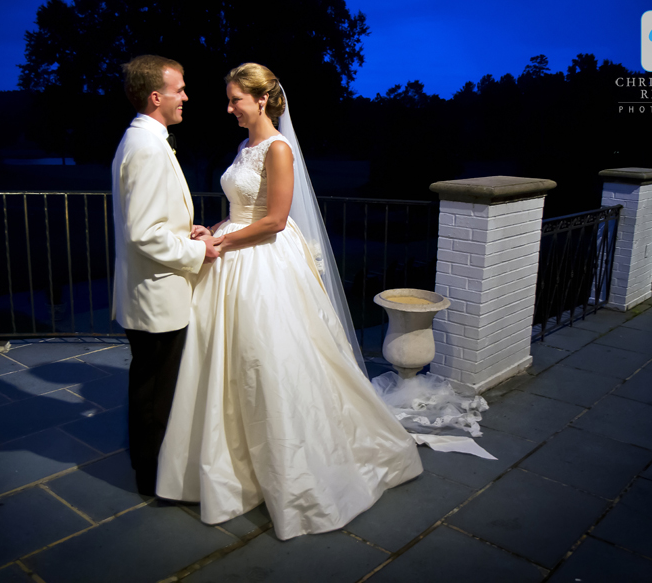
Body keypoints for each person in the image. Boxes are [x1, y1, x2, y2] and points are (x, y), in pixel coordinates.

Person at [156, 63, 423, 540]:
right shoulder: (244, 147)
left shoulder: (279, 149)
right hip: (236, 254)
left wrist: (223, 243)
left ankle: (295, 468)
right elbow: (244, 210)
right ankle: (235, 465)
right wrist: (214, 229)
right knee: (231, 360)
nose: (230, 107)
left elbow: (276, 220)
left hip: (265, 263)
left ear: (262, 100)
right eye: (230, 98)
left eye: (236, 98)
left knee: (270, 359)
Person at [112, 55, 223, 496]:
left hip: (151, 291)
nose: (186, 97)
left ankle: (150, 468)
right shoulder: (146, 146)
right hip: (156, 297)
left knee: (151, 385)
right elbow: (144, 233)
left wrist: (186, 230)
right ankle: (151, 476)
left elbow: (153, 223)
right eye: (180, 90)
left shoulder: (145, 140)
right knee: (155, 392)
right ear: (157, 97)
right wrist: (199, 248)